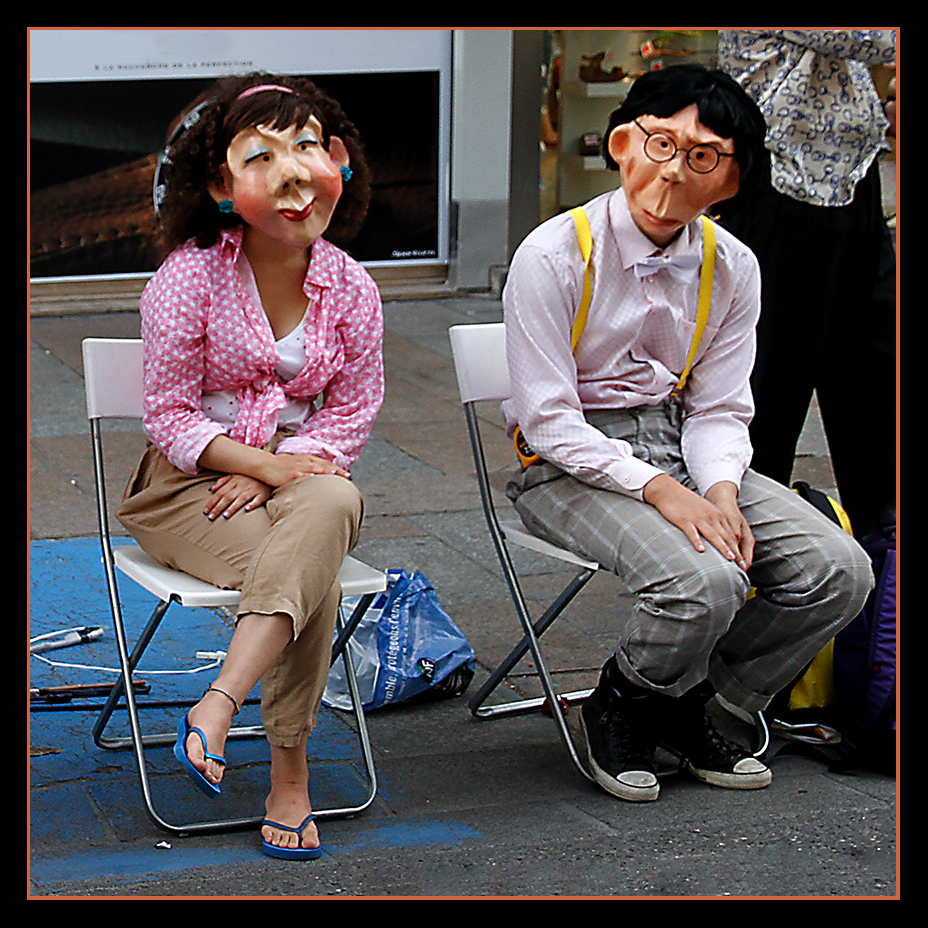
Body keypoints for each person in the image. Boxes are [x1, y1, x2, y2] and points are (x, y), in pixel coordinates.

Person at [501, 64, 873, 802]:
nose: (674, 170)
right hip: (562, 465)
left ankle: (698, 705)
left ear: (731, 180)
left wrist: (722, 492)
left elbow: (719, 408)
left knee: (839, 569)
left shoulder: (732, 266)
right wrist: (664, 491)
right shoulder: (553, 254)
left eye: (703, 156)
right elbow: (547, 421)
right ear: (621, 144)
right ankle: (622, 700)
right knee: (706, 581)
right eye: (661, 143)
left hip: (680, 444)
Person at [116, 72, 384, 857]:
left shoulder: (352, 287)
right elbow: (169, 417)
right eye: (260, 156)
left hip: (301, 478)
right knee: (315, 571)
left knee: (331, 508)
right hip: (186, 487)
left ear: (337, 162)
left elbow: (351, 414)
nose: (292, 172)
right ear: (220, 186)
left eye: (307, 147)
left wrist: (278, 464)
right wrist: (258, 465)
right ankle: (289, 776)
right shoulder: (188, 277)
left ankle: (219, 703)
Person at [718, 30, 896, 543]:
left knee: (872, 381)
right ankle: (753, 549)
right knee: (770, 385)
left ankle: (882, 552)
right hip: (781, 186)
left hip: (852, 181)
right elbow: (866, 38)